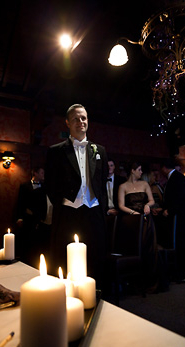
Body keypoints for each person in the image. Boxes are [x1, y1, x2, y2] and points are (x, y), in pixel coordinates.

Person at [44, 104, 109, 283]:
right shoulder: (56, 151)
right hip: (68, 213)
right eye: (76, 119)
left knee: (95, 256)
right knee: (66, 258)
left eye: (83, 118)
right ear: (67, 123)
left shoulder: (100, 150)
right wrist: (62, 202)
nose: (80, 121)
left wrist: (101, 207)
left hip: (94, 212)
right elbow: (50, 183)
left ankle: (95, 294)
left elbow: (102, 182)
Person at [116, 161, 160, 291]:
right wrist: (133, 212)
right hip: (131, 221)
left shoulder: (145, 184)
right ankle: (133, 282)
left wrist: (147, 205)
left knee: (148, 248)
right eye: (139, 170)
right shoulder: (123, 186)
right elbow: (121, 205)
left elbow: (151, 200)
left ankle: (150, 281)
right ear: (132, 171)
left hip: (146, 219)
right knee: (134, 248)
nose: (141, 172)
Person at [160, 159, 185, 283]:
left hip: (182, 217)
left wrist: (170, 210)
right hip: (183, 215)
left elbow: (180, 197)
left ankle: (184, 274)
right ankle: (181, 273)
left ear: (164, 168)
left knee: (183, 244)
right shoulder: (178, 177)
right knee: (182, 244)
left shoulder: (176, 178)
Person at [14, 166, 52, 267]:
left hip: (41, 218)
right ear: (35, 173)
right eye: (42, 173)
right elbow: (20, 202)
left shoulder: (45, 187)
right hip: (28, 217)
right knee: (27, 242)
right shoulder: (24, 186)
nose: (43, 175)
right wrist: (20, 217)